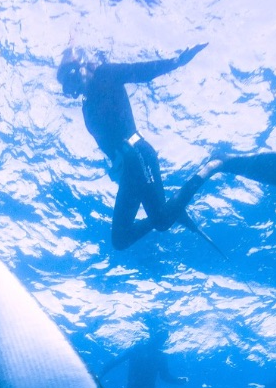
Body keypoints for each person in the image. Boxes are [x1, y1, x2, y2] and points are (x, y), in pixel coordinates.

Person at [57, 44, 213, 250]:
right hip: (128, 169)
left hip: (139, 154)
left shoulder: (105, 74)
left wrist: (176, 62)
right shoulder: (86, 107)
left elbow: (140, 71)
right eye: (68, 86)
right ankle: (171, 210)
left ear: (82, 66)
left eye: (72, 77)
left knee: (162, 222)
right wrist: (116, 166)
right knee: (120, 240)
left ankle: (212, 166)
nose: (74, 86)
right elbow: (107, 143)